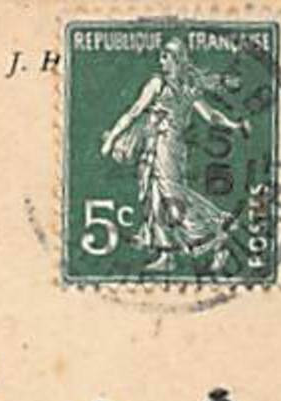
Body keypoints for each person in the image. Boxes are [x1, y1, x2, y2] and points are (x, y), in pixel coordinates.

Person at [99, 38, 252, 274]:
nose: (161, 61)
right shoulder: (187, 87)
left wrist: (111, 140)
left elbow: (134, 112)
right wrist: (234, 125)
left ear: (177, 59)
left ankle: (216, 237)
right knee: (157, 196)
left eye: (165, 56)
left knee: (171, 195)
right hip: (165, 145)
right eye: (161, 56)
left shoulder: (161, 84)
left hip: (166, 145)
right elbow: (211, 116)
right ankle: (167, 253)